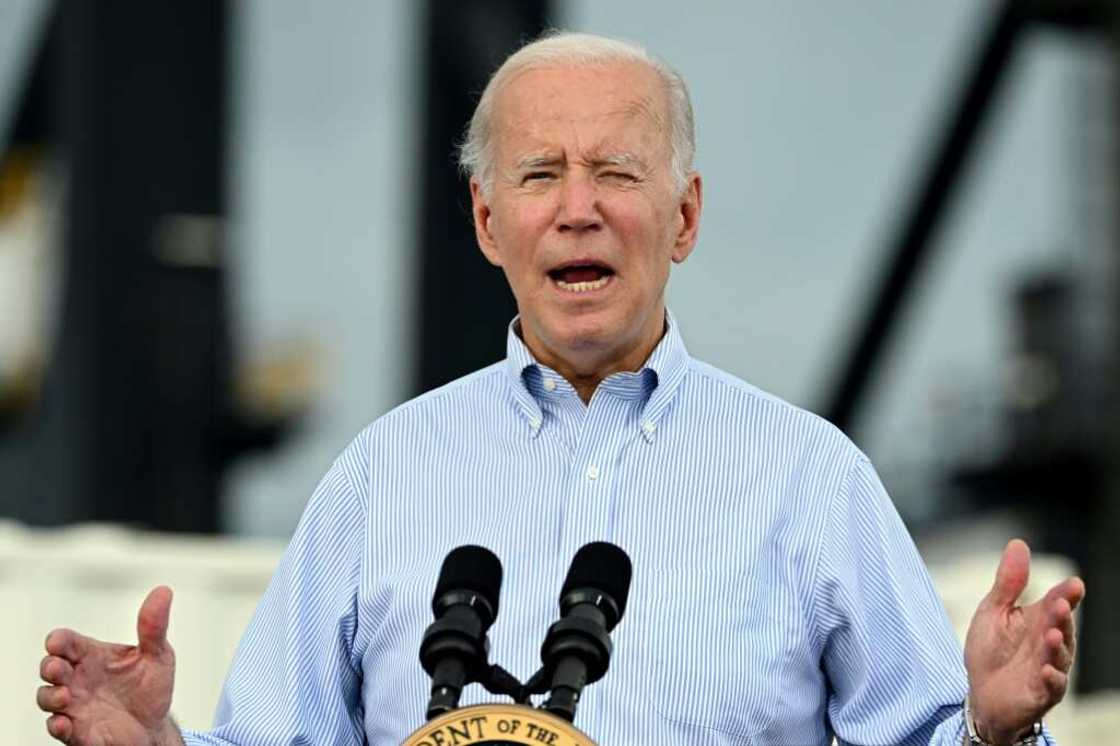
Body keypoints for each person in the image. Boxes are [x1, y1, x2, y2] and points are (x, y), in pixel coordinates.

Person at [37, 32, 1084, 746]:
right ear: (489, 222)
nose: (577, 209)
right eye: (539, 174)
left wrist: (993, 724)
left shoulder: (809, 480)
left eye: (616, 172)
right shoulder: (380, 477)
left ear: (683, 216)